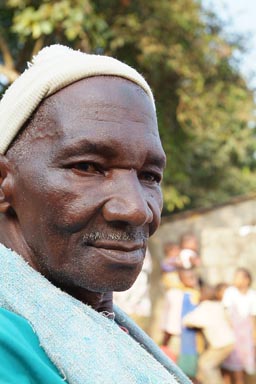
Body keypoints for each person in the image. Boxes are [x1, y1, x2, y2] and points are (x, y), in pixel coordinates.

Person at [0, 45, 190, 383]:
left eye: (149, 176)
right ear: (4, 183)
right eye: (87, 167)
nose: (135, 209)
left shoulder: (103, 328)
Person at [183, 283, 235, 384]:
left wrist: (194, 305)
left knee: (205, 365)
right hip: (229, 341)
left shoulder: (204, 307)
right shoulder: (217, 305)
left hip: (220, 344)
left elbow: (187, 320)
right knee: (206, 366)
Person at [161, 268, 200, 381]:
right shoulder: (175, 294)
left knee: (190, 370)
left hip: (192, 339)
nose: (193, 280)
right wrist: (165, 341)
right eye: (189, 277)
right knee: (177, 369)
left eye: (194, 277)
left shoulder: (196, 294)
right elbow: (169, 320)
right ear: (181, 279)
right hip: (177, 336)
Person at [222, 268, 256, 384]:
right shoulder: (230, 292)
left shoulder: (252, 295)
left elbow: (252, 318)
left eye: (239, 277)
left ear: (247, 280)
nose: (235, 280)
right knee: (229, 369)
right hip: (232, 334)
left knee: (242, 369)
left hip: (245, 337)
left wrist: (253, 338)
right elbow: (226, 314)